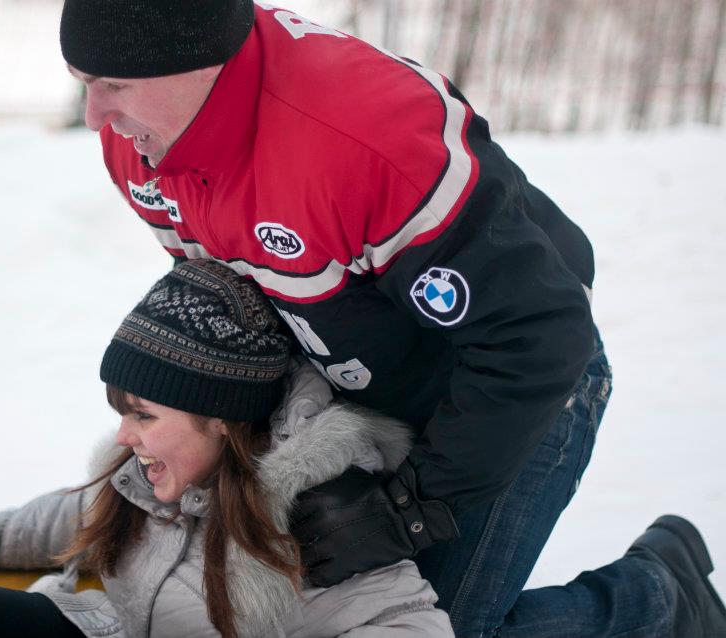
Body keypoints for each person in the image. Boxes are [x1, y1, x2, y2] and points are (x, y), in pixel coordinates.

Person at [56, 1, 726, 637]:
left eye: (114, 83)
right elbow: (236, 306)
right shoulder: (139, 139)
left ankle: (657, 598)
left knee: (433, 627)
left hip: (508, 384)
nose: (94, 115)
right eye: (83, 81)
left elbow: (538, 336)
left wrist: (408, 507)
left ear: (205, 63)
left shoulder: (364, 139)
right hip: (359, 388)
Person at [0, 260, 455, 638]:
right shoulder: (150, 476)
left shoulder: (320, 512)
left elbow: (404, 621)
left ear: (221, 418)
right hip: (84, 627)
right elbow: (73, 518)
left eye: (144, 414)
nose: (124, 436)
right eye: (120, 413)